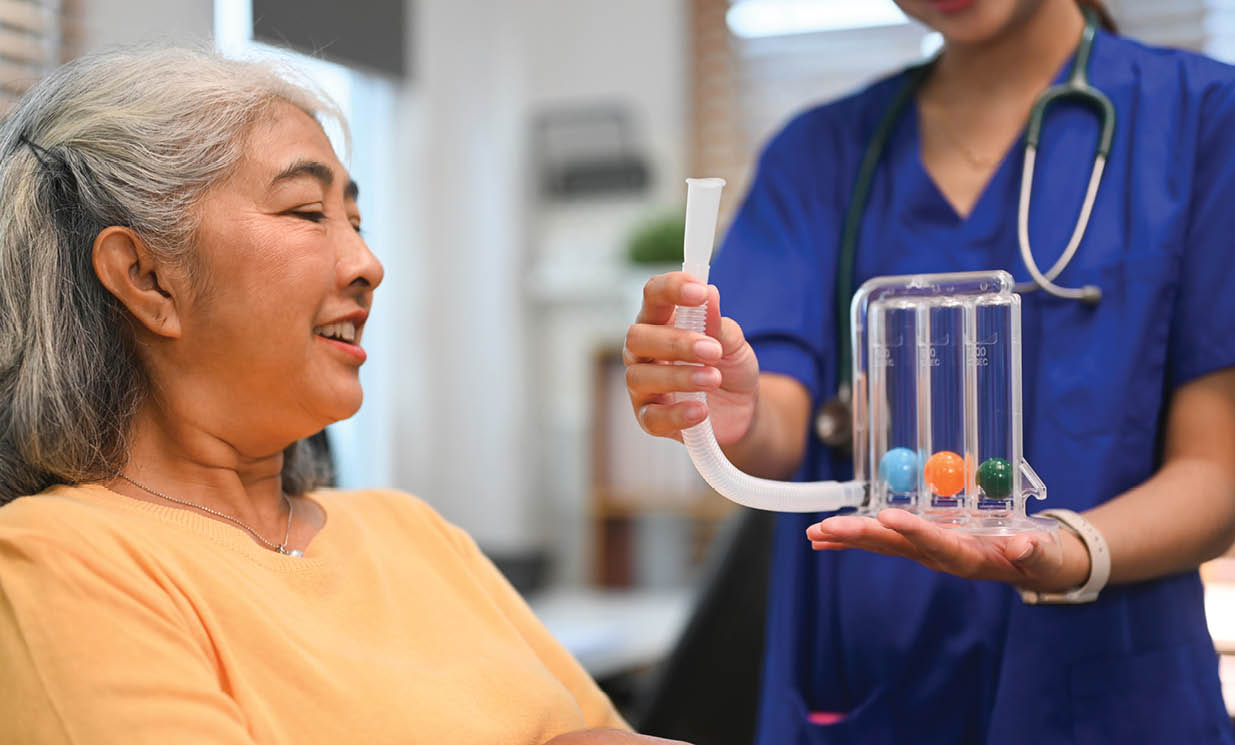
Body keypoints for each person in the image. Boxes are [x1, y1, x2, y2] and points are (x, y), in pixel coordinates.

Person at [0, 47, 687, 745]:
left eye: (355, 222)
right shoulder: (60, 561)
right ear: (146, 277)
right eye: (307, 212)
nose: (367, 264)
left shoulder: (411, 530)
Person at [625, 0, 1235, 741]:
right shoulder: (819, 154)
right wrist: (729, 411)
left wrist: (1066, 549)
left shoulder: (1204, 120)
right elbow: (775, 418)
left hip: (1108, 696)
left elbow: (1218, 471)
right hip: (871, 692)